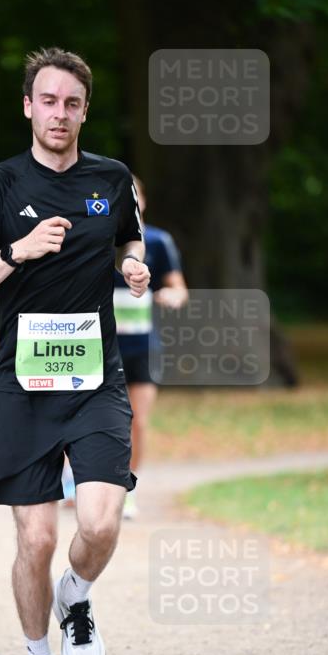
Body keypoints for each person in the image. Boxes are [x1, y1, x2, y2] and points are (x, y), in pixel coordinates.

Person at [0, 47, 149, 655]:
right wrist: (17, 251)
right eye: (49, 101)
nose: (60, 113)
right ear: (28, 106)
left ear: (85, 111)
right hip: (24, 384)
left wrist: (133, 265)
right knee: (35, 538)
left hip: (95, 378)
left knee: (101, 523)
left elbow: (129, 238)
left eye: (72, 104)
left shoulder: (111, 179)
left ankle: (76, 596)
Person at [114, 178, 188, 519]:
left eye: (134, 197)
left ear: (143, 201)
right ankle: (76, 479)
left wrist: (172, 295)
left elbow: (179, 288)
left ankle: (127, 489)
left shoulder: (158, 241)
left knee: (137, 421)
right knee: (84, 417)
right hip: (98, 345)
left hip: (143, 345)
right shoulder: (96, 239)